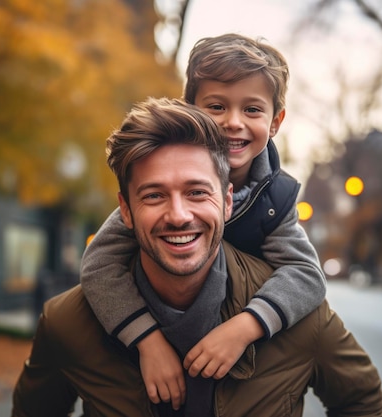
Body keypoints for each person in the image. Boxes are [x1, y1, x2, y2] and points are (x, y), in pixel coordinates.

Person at [12, 97, 382, 417]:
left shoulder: (299, 314)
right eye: (154, 195)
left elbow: (361, 398)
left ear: (226, 202)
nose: (178, 215)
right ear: (124, 211)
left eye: (196, 193)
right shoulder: (66, 323)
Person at [81, 33, 326, 410]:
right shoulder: (164, 188)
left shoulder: (275, 200)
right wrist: (147, 340)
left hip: (237, 367)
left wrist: (244, 328)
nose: (233, 122)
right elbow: (99, 264)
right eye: (216, 106)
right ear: (190, 109)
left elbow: (306, 274)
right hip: (162, 338)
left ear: (275, 121)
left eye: (252, 110)